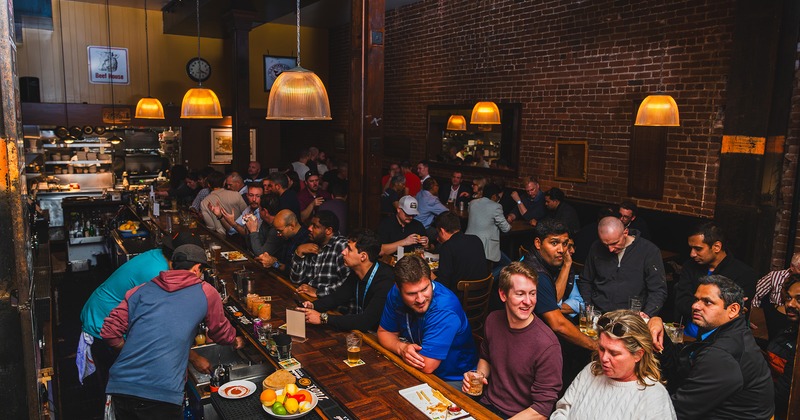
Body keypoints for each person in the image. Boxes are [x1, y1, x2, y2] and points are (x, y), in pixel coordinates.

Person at [101, 244, 244, 418]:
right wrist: (234, 339)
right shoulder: (205, 291)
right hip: (161, 393)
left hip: (121, 387)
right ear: (197, 268)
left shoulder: (141, 290)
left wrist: (137, 353)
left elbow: (109, 331)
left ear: (171, 265)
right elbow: (219, 331)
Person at [77, 232, 207, 388]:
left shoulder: (159, 256)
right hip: (103, 323)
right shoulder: (158, 273)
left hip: (103, 315)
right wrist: (194, 358)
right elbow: (164, 329)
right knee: (120, 387)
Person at [649, 275, 774, 419]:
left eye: (707, 302)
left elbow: (676, 411)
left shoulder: (721, 355)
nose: (695, 306)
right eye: (696, 299)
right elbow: (683, 362)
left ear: (733, 310)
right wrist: (657, 321)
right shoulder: (729, 331)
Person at [463, 262, 562, 418]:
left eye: (533, 293)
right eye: (520, 293)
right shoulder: (493, 320)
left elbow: (542, 410)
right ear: (503, 295)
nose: (528, 301)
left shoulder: (548, 345)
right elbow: (486, 358)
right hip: (486, 404)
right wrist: (479, 376)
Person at [551, 310, 676, 420]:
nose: (604, 358)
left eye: (614, 353)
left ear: (638, 355)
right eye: (601, 349)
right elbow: (563, 410)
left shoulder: (653, 396)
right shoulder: (591, 370)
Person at [377, 255, 477, 384]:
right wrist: (401, 348)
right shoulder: (395, 293)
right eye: (411, 294)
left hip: (454, 380)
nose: (420, 299)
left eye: (425, 289)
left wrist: (401, 348)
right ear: (397, 287)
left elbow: (426, 365)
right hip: (417, 371)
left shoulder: (444, 309)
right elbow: (384, 333)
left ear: (431, 279)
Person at [522, 220, 597, 390]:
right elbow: (558, 324)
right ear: (538, 243)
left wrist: (567, 265)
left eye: (564, 244)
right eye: (554, 243)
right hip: (528, 343)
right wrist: (595, 346)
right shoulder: (537, 274)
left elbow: (553, 298)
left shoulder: (537, 261)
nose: (561, 250)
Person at [298, 229, 394, 331]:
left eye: (349, 249)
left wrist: (323, 318)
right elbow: (337, 297)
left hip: (384, 336)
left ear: (363, 256)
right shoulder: (357, 272)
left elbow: (365, 321)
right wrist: (313, 306)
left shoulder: (386, 281)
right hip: (367, 332)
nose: (343, 252)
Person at [673, 222, 757, 337]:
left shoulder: (745, 274)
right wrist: (714, 307)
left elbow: (736, 314)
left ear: (716, 247)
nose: (692, 254)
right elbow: (681, 302)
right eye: (691, 248)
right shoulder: (689, 266)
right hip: (686, 336)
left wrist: (695, 305)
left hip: (721, 339)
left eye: (698, 249)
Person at [579, 216, 667, 316]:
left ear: (625, 232)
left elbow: (658, 290)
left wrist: (647, 314)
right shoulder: (596, 247)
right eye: (606, 244)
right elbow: (586, 280)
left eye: (614, 243)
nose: (610, 249)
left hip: (631, 318)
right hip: (600, 314)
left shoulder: (649, 251)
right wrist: (589, 306)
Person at [291, 210, 351, 298]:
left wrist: (318, 292)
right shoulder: (312, 243)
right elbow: (296, 280)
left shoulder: (341, 246)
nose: (309, 228)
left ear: (328, 230)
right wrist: (299, 252)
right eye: (310, 224)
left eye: (315, 226)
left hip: (336, 306)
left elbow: (347, 285)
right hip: (311, 300)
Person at [765, 274, 799, 419]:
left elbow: (784, 395)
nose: (790, 304)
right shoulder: (789, 329)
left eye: (799, 299)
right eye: (788, 298)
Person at [434, 211, 488, 292]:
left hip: (459, 299)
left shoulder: (447, 247)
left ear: (442, 231)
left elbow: (443, 285)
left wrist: (428, 273)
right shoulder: (476, 239)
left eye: (438, 233)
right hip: (483, 295)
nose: (437, 238)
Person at [753, 252, 800, 339]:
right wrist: (753, 317)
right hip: (776, 320)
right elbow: (756, 294)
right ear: (792, 267)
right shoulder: (775, 276)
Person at [465, 183, 511, 264]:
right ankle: (491, 276)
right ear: (493, 196)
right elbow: (506, 228)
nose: (498, 199)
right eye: (498, 197)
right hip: (486, 248)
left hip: (468, 244)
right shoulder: (496, 206)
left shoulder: (472, 203)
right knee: (507, 264)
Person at [200, 171, 247, 235]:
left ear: (208, 184)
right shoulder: (236, 194)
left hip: (222, 237)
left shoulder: (204, 202)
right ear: (224, 182)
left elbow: (211, 227)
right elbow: (247, 214)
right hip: (240, 234)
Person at [247, 193, 282, 258]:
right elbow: (254, 246)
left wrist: (253, 231)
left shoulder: (276, 229)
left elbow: (261, 255)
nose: (258, 210)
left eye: (259, 208)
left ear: (265, 211)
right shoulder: (266, 222)